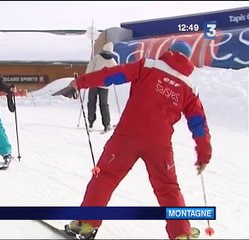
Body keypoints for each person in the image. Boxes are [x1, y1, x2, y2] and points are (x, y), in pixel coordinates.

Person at [67, 41, 212, 239]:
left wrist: (80, 82)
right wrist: (204, 154)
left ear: (169, 52)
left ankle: (86, 224)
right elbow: (198, 124)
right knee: (168, 188)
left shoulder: (148, 66)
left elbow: (111, 75)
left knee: (105, 177)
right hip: (159, 145)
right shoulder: (189, 88)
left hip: (127, 136)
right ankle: (181, 234)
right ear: (188, 60)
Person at [86, 42, 117, 132]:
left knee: (91, 102)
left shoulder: (97, 57)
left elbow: (89, 69)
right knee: (104, 104)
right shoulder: (112, 61)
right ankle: (106, 124)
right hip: (105, 86)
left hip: (93, 84)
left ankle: (91, 122)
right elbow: (115, 73)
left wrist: (88, 79)